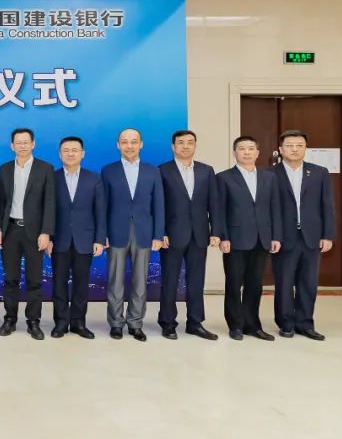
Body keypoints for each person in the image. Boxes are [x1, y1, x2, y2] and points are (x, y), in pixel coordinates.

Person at [101, 128, 164, 342]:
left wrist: (158, 235)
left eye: (134, 141)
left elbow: (159, 205)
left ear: (141, 144)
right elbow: (103, 206)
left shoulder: (152, 171)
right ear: (118, 145)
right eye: (125, 141)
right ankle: (116, 323)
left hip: (144, 232)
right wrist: (102, 234)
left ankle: (135, 323)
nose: (129, 145)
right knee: (115, 281)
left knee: (140, 281)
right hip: (115, 232)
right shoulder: (108, 171)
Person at [158, 130, 222, 341]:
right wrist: (161, 232)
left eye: (190, 142)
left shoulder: (206, 170)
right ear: (173, 146)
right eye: (181, 142)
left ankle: (195, 322)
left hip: (199, 234)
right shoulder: (162, 170)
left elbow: (214, 203)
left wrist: (216, 231)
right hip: (172, 235)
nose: (185, 146)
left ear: (195, 145)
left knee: (196, 280)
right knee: (170, 280)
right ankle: (168, 323)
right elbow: (158, 205)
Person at [217, 135, 282, 341]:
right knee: (234, 283)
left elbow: (275, 208)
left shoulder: (269, 177)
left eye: (251, 148)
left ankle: (252, 325)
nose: (246, 152)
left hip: (262, 238)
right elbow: (219, 211)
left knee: (255, 284)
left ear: (257, 153)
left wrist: (276, 236)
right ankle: (235, 325)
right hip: (235, 239)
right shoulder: (224, 178)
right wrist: (223, 237)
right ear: (234, 153)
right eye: (242, 148)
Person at [272, 129, 334, 340]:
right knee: (284, 283)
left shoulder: (319, 172)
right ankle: (286, 323)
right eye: (289, 145)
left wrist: (327, 235)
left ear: (306, 148)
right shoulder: (269, 174)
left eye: (299, 145)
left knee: (308, 283)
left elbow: (327, 206)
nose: (294, 149)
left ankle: (305, 323)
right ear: (281, 149)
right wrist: (273, 236)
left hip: (312, 236)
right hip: (283, 237)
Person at [0, 128, 55, 340]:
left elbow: (49, 202)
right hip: (10, 230)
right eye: (18, 142)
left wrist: (46, 232)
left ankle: (33, 322)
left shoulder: (45, 168)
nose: (22, 145)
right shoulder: (4, 169)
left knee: (34, 279)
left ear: (33, 144)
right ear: (12, 146)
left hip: (35, 232)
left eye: (25, 142)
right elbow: (1, 202)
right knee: (10, 278)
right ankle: (10, 319)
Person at [48, 136, 105, 339]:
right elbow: (46, 211)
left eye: (74, 150)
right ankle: (61, 322)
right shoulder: (51, 178)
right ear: (60, 154)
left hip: (85, 239)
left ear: (82, 153)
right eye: (66, 150)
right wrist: (48, 237)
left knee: (82, 283)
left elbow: (100, 211)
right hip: (59, 239)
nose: (70, 154)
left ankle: (79, 322)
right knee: (59, 282)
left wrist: (99, 239)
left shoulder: (94, 178)